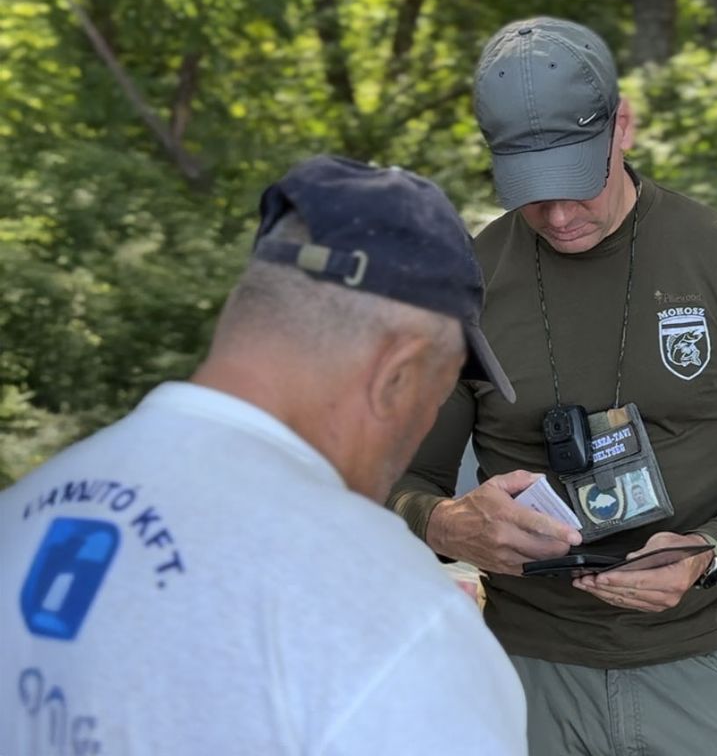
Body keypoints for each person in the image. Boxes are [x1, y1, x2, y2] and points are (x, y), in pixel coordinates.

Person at [389, 18, 717, 756]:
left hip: (700, 667)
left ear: (622, 125)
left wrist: (710, 549)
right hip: (526, 672)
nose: (560, 216)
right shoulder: (462, 284)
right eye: (532, 192)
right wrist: (443, 525)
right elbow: (399, 481)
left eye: (578, 182)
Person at [0, 156, 527, 756]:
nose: (427, 422)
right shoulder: (395, 614)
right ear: (396, 376)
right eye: (438, 393)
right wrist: (423, 629)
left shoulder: (21, 513)